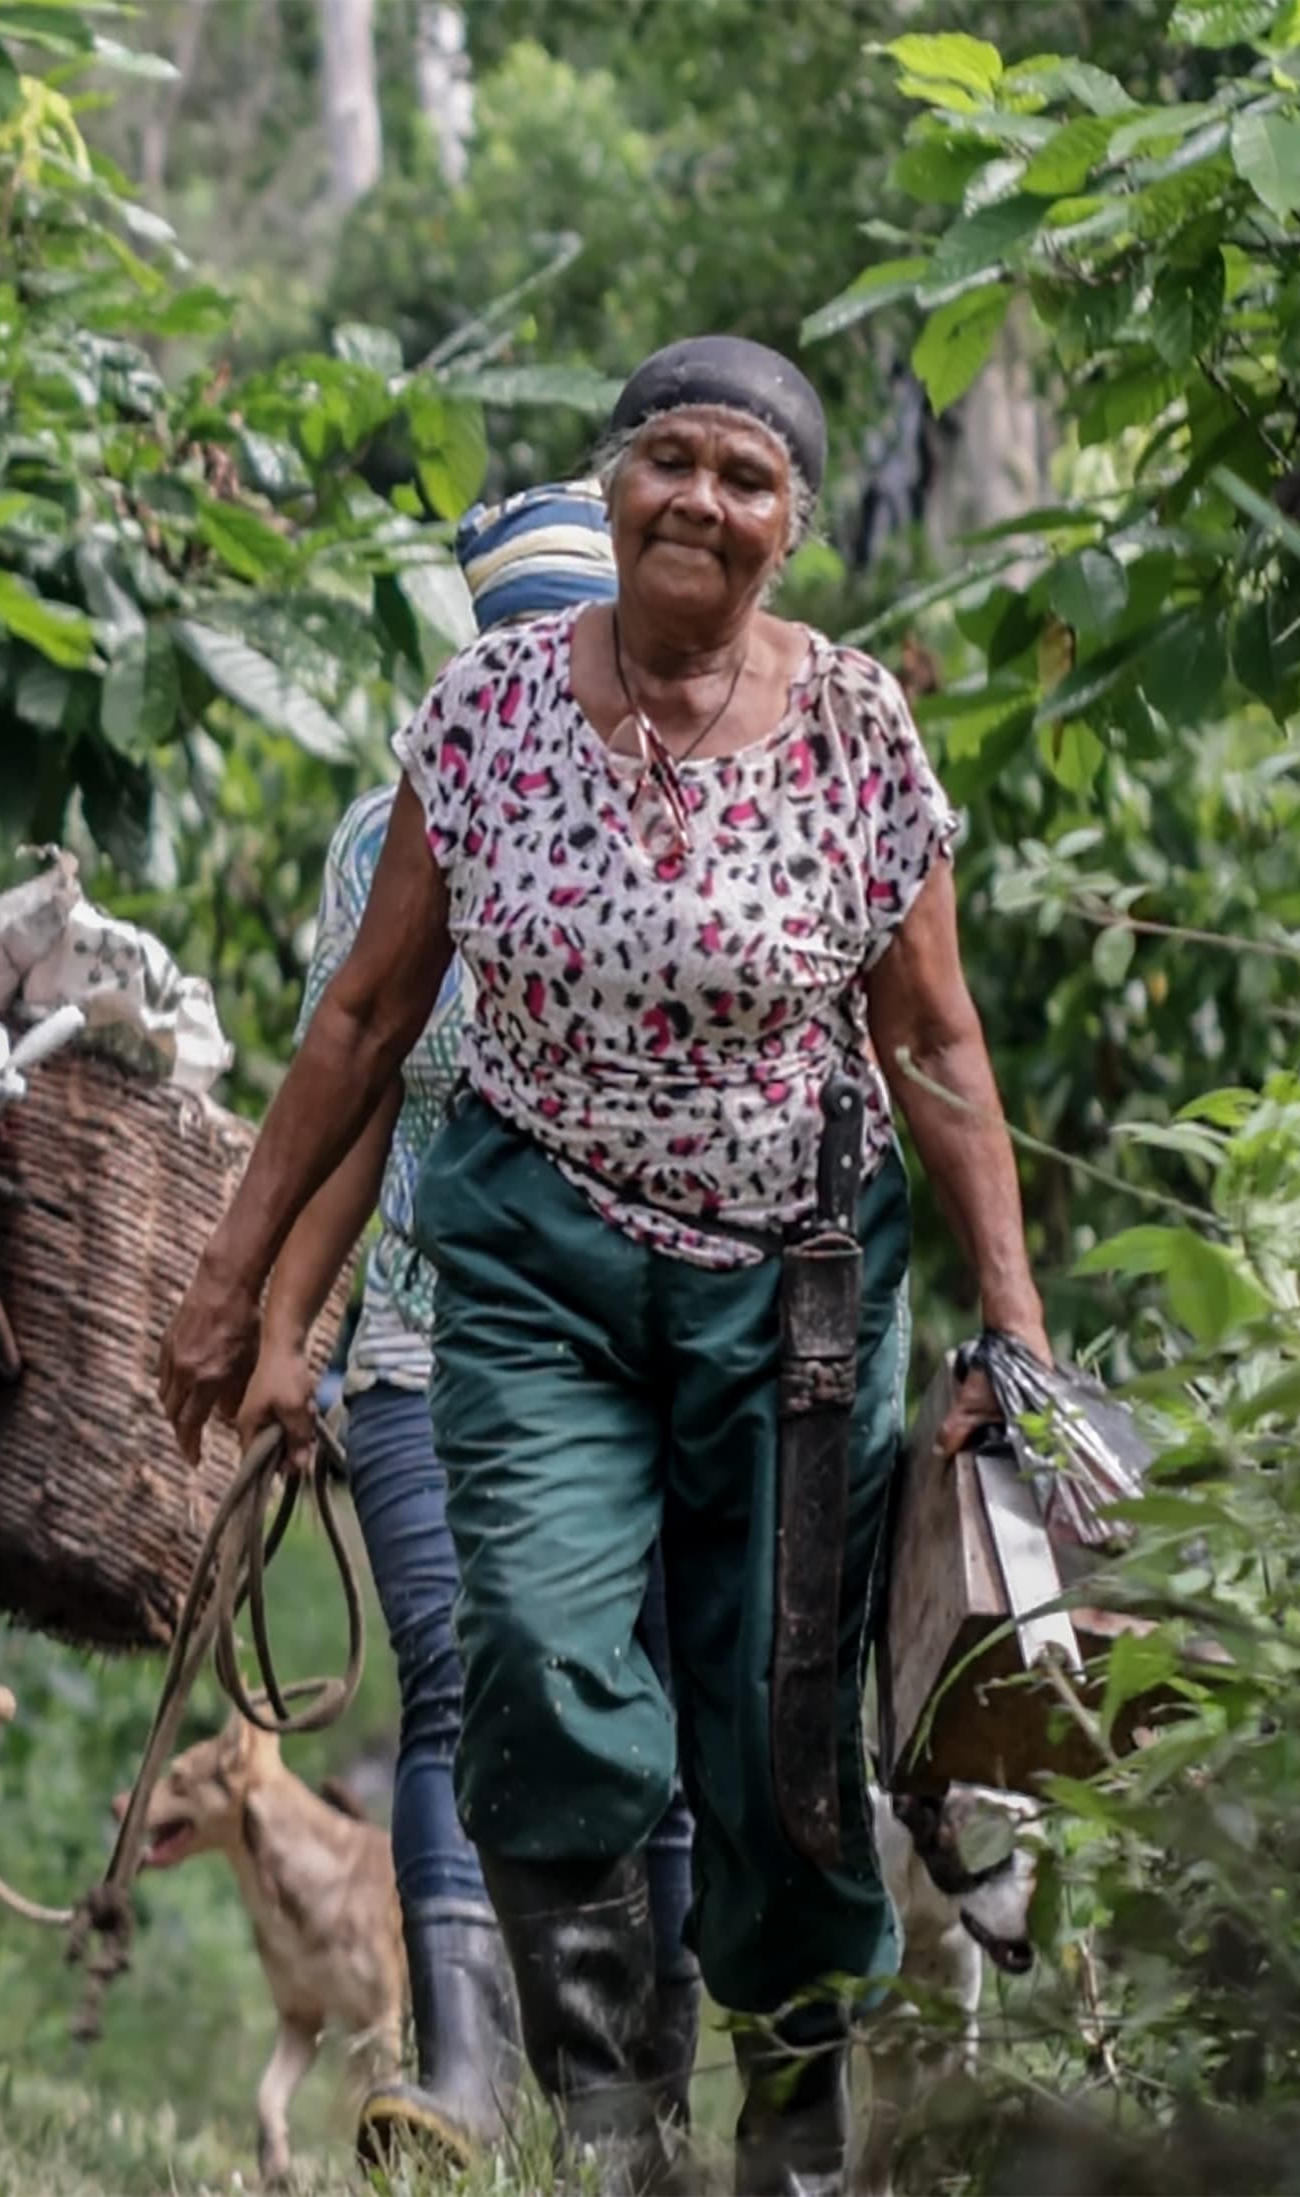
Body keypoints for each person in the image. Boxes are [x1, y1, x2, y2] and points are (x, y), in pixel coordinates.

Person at [164, 336, 1048, 2197]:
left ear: (790, 526)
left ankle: (793, 2136)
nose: (702, 503)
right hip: (541, 1267)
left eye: (747, 479)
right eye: (672, 462)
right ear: (614, 478)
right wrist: (238, 1280)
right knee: (548, 1671)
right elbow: (369, 1016)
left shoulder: (859, 729)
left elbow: (939, 1050)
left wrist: (1014, 1336)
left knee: (780, 1721)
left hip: (801, 1297)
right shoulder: (484, 716)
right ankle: (616, 2127)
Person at [245, 480, 705, 2174]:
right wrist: (286, 1327)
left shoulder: (700, 832)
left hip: (649, 1352)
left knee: (633, 1700)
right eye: (511, 659)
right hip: (429, 1340)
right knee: (458, 1681)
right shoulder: (389, 838)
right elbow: (336, 1084)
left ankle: (638, 2094)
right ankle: (459, 2069)